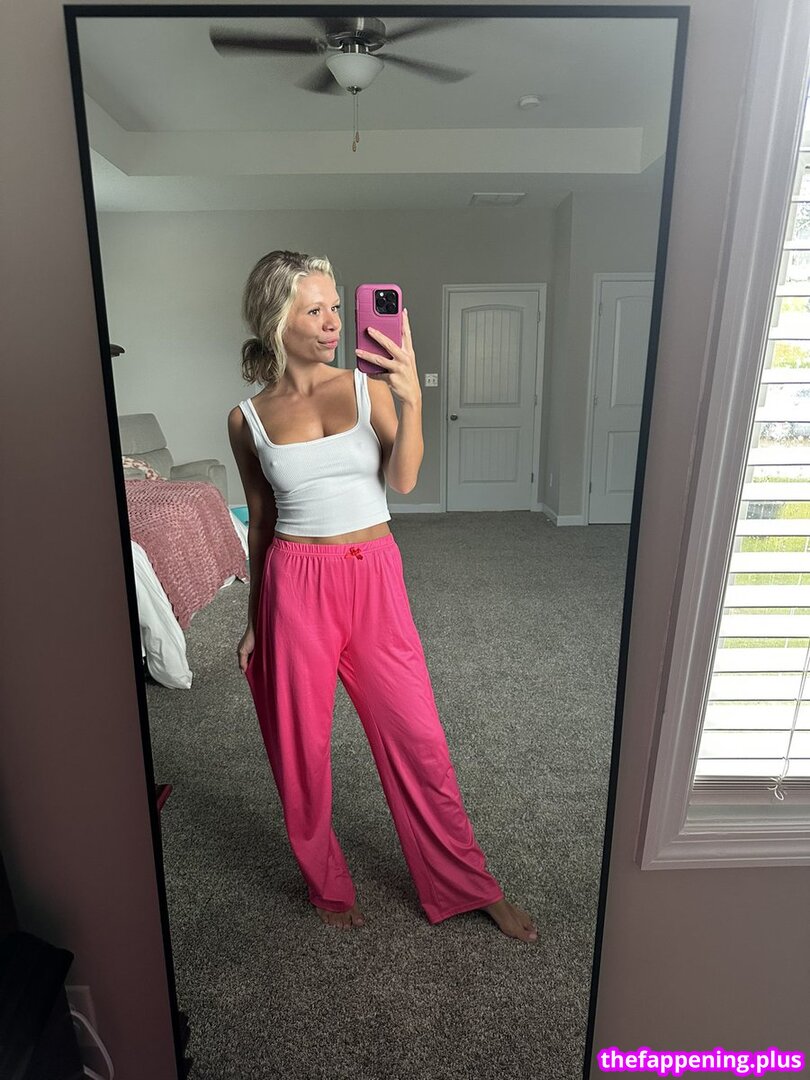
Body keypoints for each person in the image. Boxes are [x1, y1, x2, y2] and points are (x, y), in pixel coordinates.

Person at [227, 250, 538, 942]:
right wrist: (254, 618)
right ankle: (326, 886)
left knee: (418, 738)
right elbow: (261, 520)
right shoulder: (247, 418)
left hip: (373, 578)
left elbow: (403, 480)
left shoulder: (367, 389)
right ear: (277, 319)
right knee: (300, 751)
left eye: (337, 307)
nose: (333, 323)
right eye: (315, 310)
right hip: (293, 586)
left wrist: (413, 398)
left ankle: (467, 883)